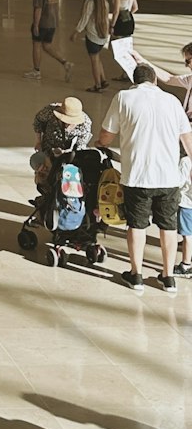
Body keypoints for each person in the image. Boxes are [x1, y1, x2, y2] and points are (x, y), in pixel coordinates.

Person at [95, 64, 192, 294]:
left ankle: (136, 275)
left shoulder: (124, 97)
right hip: (169, 177)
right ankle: (168, 278)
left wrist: (102, 144)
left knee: (136, 225)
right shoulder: (171, 101)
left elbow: (106, 134)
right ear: (155, 81)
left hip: (137, 177)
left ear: (134, 80)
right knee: (168, 227)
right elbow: (187, 140)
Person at [30, 96, 91, 195]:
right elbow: (38, 122)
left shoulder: (85, 123)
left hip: (68, 154)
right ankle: (46, 199)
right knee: (43, 174)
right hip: (48, 149)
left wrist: (68, 154)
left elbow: (81, 146)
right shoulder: (49, 112)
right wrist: (38, 141)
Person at [24, 0, 73, 82]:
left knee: (36, 45)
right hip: (52, 22)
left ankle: (36, 71)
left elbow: (38, 8)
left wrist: (36, 24)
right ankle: (65, 63)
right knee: (46, 46)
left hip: (42, 23)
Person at [132, 40, 192, 122]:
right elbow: (169, 78)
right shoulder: (190, 79)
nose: (186, 65)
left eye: (188, 61)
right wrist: (142, 61)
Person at [70, 0, 110, 93]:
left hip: (92, 36)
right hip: (102, 36)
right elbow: (106, 19)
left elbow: (84, 19)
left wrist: (76, 32)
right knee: (97, 58)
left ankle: (97, 85)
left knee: (94, 61)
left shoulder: (89, 2)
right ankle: (103, 80)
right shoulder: (104, 2)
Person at [108, 0, 138, 81]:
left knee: (117, 47)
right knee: (126, 47)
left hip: (120, 22)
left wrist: (112, 25)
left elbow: (115, 11)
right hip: (129, 21)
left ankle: (128, 71)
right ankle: (126, 73)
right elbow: (135, 7)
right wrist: (127, 14)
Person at [177, 148, 192, 278]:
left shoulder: (186, 161)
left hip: (187, 204)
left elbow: (179, 182)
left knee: (187, 236)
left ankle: (186, 265)